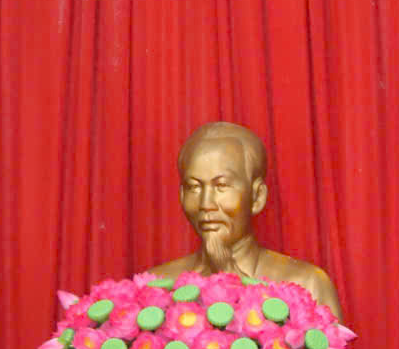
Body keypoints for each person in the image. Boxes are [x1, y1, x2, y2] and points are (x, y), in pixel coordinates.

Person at [144, 121, 342, 312]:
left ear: (257, 196)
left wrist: (232, 276)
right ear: (181, 195)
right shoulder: (157, 287)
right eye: (194, 187)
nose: (206, 204)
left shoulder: (306, 284)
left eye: (221, 186)